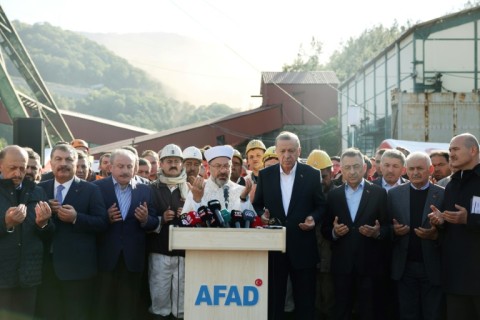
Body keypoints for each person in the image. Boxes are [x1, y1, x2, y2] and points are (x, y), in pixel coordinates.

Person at [253, 131, 325, 320]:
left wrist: (313, 218)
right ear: (276, 151)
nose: (287, 155)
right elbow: (257, 204)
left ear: (299, 151)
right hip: (274, 247)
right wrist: (263, 216)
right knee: (273, 300)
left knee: (305, 301)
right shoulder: (265, 175)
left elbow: (321, 205)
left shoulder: (311, 174)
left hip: (303, 246)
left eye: (291, 151)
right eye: (283, 151)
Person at [36, 144, 108, 320]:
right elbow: (33, 227)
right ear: (50, 163)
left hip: (78, 270)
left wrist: (77, 218)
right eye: (58, 159)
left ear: (76, 163)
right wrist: (42, 221)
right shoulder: (40, 189)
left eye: (69, 159)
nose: (64, 163)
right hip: (46, 268)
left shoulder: (91, 190)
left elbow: (102, 223)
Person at [321, 148, 388, 320]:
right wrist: (334, 232)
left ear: (365, 168)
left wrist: (377, 232)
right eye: (348, 167)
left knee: (369, 311)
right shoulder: (333, 196)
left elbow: (388, 227)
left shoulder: (379, 193)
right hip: (342, 265)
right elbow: (325, 229)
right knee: (341, 310)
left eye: (356, 166)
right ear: (341, 169)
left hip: (370, 265)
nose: (352, 171)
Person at [93, 149, 159, 320]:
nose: (125, 170)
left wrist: (145, 219)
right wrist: (105, 217)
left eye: (129, 166)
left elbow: (154, 222)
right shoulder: (97, 188)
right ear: (111, 167)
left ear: (135, 168)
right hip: (105, 257)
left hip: (133, 259)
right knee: (102, 306)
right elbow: (91, 220)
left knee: (128, 309)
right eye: (120, 166)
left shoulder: (145, 190)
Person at [429, 133, 480, 320]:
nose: (451, 154)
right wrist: (441, 221)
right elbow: (449, 224)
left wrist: (470, 219)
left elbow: (467, 219)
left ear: (473, 150)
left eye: (456, 149)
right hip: (456, 277)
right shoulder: (451, 184)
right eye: (450, 150)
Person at [388, 152, 444, 320]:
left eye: (420, 168)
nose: (415, 172)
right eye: (411, 169)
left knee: (433, 314)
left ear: (430, 169)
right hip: (404, 267)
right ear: (406, 170)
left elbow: (451, 230)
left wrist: (436, 234)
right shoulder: (394, 194)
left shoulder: (443, 194)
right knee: (407, 313)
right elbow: (386, 225)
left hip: (432, 267)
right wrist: (394, 230)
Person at [0, 145, 53, 320]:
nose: (18, 173)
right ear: (0, 165)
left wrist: (43, 224)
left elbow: (50, 234)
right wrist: (5, 224)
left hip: (29, 276)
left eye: (22, 168)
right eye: (12, 168)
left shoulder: (37, 191)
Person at [148, 144, 187, 319]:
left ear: (182, 164)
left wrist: (188, 214)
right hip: (159, 252)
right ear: (161, 164)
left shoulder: (192, 189)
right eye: (169, 161)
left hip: (184, 255)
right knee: (159, 302)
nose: (173, 164)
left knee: (182, 305)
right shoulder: (151, 188)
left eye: (176, 161)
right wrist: (161, 218)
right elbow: (145, 219)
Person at [183, 145, 254, 215]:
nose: (223, 171)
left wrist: (243, 199)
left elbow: (251, 222)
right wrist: (196, 200)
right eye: (218, 166)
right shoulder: (198, 189)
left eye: (226, 166)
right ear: (209, 168)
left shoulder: (241, 191)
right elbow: (185, 221)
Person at [306, 149, 335, 320]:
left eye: (323, 176)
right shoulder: (303, 198)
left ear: (331, 173)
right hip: (310, 261)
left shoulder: (340, 196)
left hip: (332, 261)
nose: (321, 182)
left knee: (331, 304)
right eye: (316, 178)